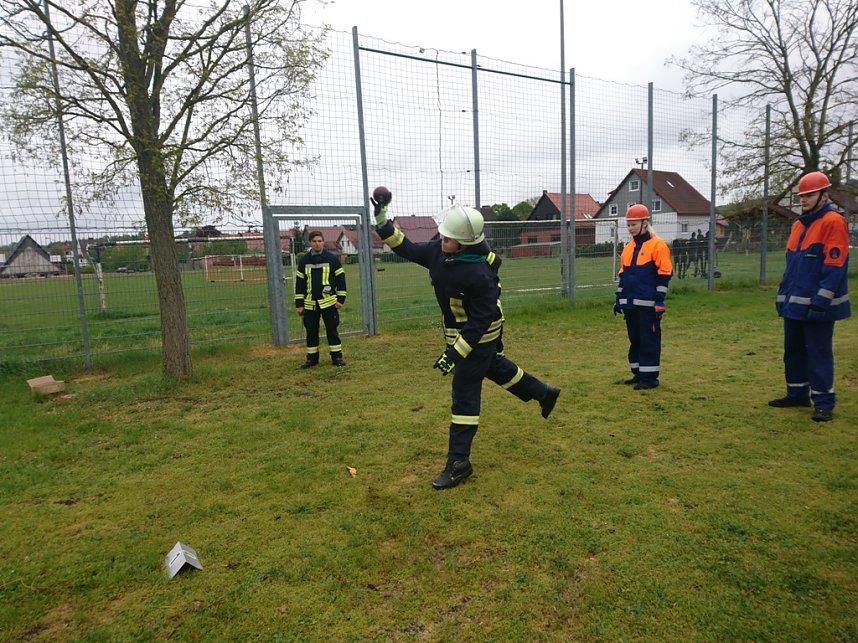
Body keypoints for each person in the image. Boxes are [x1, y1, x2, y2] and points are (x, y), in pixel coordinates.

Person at [371, 190, 560, 490]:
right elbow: (405, 247)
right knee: (494, 368)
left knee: (464, 391)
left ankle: (459, 462)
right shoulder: (439, 251)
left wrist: (455, 355)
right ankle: (543, 392)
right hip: (463, 333)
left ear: (465, 242)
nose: (440, 241)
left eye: (446, 238)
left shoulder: (482, 275)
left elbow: (479, 323)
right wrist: (382, 220)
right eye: (441, 236)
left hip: (481, 334)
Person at [769, 171, 850, 422]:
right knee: (792, 351)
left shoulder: (833, 222)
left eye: (809, 195)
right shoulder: (797, 225)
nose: (803, 200)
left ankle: (824, 401)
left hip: (817, 305)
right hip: (794, 303)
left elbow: (835, 265)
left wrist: (821, 300)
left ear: (824, 196)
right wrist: (783, 297)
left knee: (818, 352)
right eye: (801, 196)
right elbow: (792, 268)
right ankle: (797, 393)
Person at [613, 204, 673, 389]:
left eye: (634, 224)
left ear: (644, 223)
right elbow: (623, 276)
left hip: (648, 305)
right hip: (630, 304)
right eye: (628, 224)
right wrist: (619, 300)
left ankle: (650, 378)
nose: (630, 228)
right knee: (635, 339)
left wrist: (659, 302)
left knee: (649, 340)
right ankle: (639, 373)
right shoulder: (628, 248)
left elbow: (664, 275)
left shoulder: (658, 245)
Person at [294, 230, 347, 368]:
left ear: (323, 242)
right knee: (311, 332)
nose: (317, 244)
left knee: (332, 331)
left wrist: (340, 299)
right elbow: (300, 284)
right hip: (310, 304)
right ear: (310, 243)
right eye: (314, 241)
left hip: (329, 303)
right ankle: (312, 359)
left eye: (319, 241)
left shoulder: (332, 259)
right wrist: (299, 304)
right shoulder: (304, 261)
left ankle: (337, 357)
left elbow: (340, 279)